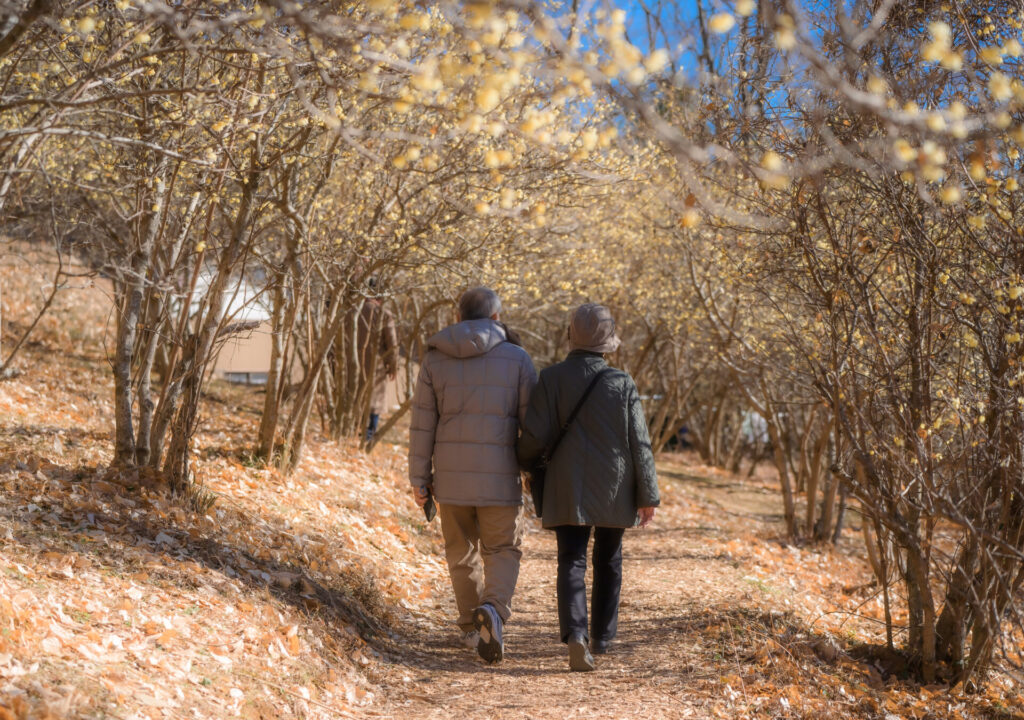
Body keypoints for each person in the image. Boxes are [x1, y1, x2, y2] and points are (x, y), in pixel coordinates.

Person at [517, 303, 660, 672]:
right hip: (615, 485)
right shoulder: (621, 383)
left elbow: (534, 436)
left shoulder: (550, 379)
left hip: (567, 486)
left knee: (571, 559)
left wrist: (524, 464)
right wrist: (648, 495)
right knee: (609, 560)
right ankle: (603, 637)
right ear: (608, 342)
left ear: (570, 337)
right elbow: (639, 442)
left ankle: (576, 635)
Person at [408, 287, 537, 663]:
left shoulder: (434, 359)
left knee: (460, 550)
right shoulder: (518, 359)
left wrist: (420, 478)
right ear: (497, 317)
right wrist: (532, 473)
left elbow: (422, 426)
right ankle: (493, 611)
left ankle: (470, 627)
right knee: (502, 549)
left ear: (458, 317)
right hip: (501, 477)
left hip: (451, 480)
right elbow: (531, 427)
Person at [357, 280, 399, 442]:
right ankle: (368, 437)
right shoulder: (384, 314)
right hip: (376, 366)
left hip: (353, 366)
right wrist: (393, 366)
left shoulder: (353, 312)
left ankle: (353, 432)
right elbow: (392, 344)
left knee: (357, 399)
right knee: (375, 404)